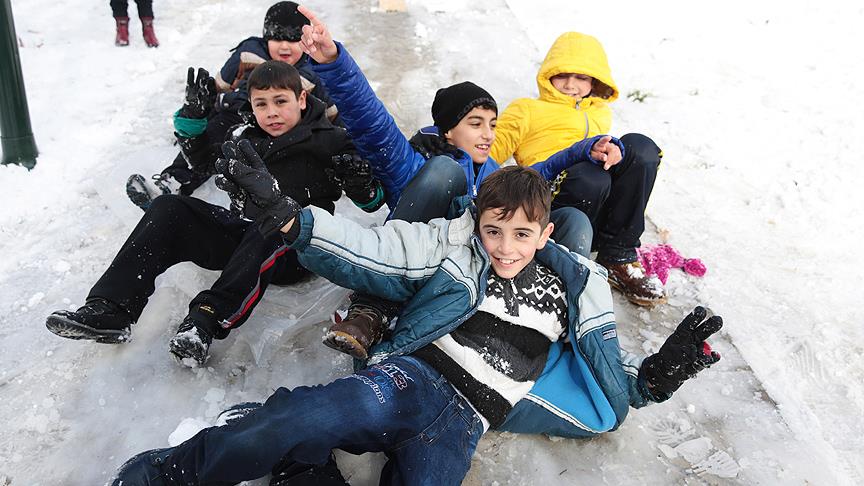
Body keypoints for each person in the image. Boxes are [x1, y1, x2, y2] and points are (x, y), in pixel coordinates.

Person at [108, 164, 723, 486]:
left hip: (463, 426)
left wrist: (655, 381)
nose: (505, 247)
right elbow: (381, 252)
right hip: (411, 380)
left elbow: (605, 376)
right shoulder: (455, 250)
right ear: (478, 225)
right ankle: (169, 472)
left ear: (545, 233)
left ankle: (301, 461)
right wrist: (298, 222)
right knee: (303, 418)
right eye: (494, 230)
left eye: (521, 234)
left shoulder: (575, 290)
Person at [297, 5, 623, 359]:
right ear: (448, 129)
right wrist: (332, 61)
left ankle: (567, 323)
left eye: (493, 124)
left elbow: (539, 175)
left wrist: (584, 149)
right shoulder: (416, 164)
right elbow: (370, 120)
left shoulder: (492, 174)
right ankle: (371, 310)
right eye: (475, 123)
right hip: (416, 269)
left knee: (573, 218)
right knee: (444, 171)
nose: (488, 135)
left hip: (480, 273)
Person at [45, 61, 384, 367]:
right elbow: (201, 164)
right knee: (169, 208)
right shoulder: (246, 137)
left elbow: (371, 202)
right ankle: (112, 308)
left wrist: (360, 181)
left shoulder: (330, 140)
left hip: (297, 245)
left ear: (302, 100)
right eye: (261, 104)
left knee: (273, 219)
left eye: (281, 101)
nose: (272, 112)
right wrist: (192, 123)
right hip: (245, 235)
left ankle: (205, 319)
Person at [491, 32, 666, 307]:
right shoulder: (526, 109)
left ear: (595, 81)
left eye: (582, 77)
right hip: (551, 197)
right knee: (590, 176)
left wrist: (614, 150)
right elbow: (489, 151)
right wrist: (455, 141)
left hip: (596, 196)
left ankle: (617, 253)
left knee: (641, 148)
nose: (571, 85)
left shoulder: (599, 113)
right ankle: (565, 257)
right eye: (562, 75)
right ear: (548, 74)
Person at [126, 1, 340, 209]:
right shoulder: (250, 52)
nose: (284, 46)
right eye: (276, 38)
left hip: (284, 130)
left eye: (293, 40)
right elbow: (221, 85)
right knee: (216, 131)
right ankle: (172, 182)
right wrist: (200, 106)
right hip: (238, 114)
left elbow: (331, 113)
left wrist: (344, 150)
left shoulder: (313, 71)